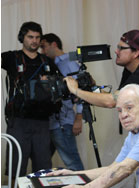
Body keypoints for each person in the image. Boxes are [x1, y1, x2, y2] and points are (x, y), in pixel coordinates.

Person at [47, 84, 139, 188]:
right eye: (119, 111)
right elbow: (113, 168)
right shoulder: (134, 133)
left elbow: (124, 169)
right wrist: (73, 175)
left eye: (129, 108)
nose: (123, 115)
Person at [64, 30, 139, 118]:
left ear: (136, 53)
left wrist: (75, 90)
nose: (116, 51)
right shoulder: (130, 69)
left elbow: (111, 102)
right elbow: (119, 96)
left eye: (121, 48)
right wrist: (93, 87)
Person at [1, 22, 59, 177]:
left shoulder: (47, 62)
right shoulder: (11, 57)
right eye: (30, 37)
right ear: (22, 38)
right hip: (18, 120)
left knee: (43, 169)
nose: (34, 40)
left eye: (37, 37)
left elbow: (60, 87)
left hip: (42, 121)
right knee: (16, 167)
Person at [40, 33, 84, 170]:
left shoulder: (69, 63)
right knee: (43, 160)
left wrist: (79, 117)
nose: (42, 51)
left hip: (63, 122)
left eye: (44, 47)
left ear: (54, 44)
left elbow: (81, 90)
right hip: (53, 122)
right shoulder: (50, 65)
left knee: (72, 162)